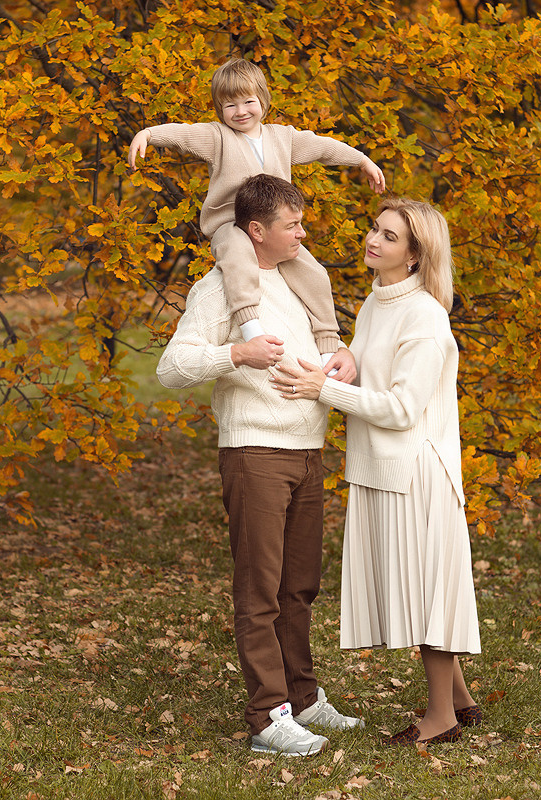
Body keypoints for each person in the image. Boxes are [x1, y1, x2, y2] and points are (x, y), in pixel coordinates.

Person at [156, 174, 363, 756]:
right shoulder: (220, 289)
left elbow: (325, 346)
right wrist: (236, 353)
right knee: (260, 590)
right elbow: (172, 367)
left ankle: (303, 698)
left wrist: (342, 357)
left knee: (300, 587)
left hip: (306, 450)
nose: (303, 233)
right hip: (255, 452)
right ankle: (267, 719)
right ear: (256, 231)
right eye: (292, 225)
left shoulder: (298, 281)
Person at [272, 197, 482, 746]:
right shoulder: (375, 302)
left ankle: (441, 720)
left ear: (415, 256)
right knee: (415, 587)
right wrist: (347, 360)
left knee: (428, 594)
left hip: (418, 474)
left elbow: (402, 408)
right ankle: (459, 698)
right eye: (375, 229)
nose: (373, 240)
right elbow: (374, 364)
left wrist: (326, 389)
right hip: (380, 469)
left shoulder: (426, 317)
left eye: (389, 237)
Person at [129, 57, 385, 366]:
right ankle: (252, 328)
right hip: (231, 224)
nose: (240, 112)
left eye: (248, 101)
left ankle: (328, 345)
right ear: (218, 109)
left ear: (263, 100)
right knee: (238, 257)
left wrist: (361, 160)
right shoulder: (216, 137)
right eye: (229, 105)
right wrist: (148, 134)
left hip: (274, 227)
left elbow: (322, 148)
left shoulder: (282, 137)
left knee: (313, 272)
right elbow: (182, 134)